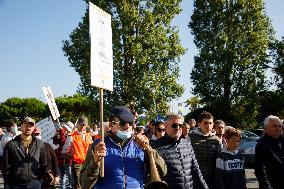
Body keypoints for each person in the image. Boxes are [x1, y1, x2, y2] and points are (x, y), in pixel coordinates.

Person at [80, 106, 167, 189]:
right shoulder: (98, 145)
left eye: (130, 123)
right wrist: (94, 162)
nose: (128, 126)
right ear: (111, 125)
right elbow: (84, 184)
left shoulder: (140, 144)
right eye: (123, 123)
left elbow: (163, 171)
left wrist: (149, 150)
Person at [152, 113, 208, 189]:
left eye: (180, 125)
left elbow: (196, 171)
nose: (178, 128)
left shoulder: (187, 144)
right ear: (166, 126)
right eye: (174, 125)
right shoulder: (155, 147)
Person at [1, 117, 47, 189]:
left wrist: (39, 181)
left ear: (34, 127)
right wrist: (9, 183)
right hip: (16, 184)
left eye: (30, 126)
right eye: (26, 125)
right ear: (21, 126)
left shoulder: (40, 144)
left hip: (35, 184)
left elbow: (43, 163)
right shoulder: (11, 144)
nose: (28, 128)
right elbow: (5, 166)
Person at [189, 111, 221, 189]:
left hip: (213, 179)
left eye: (210, 123)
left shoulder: (217, 140)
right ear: (199, 124)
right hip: (196, 180)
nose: (208, 126)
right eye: (205, 123)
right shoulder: (190, 138)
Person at [62, 116, 93, 189]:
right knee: (78, 185)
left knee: (88, 185)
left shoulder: (89, 136)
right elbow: (64, 153)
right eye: (81, 124)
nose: (82, 126)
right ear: (77, 124)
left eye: (84, 125)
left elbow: (91, 149)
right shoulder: (71, 137)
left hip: (88, 164)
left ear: (87, 125)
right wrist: (74, 157)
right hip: (77, 165)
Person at [255, 115, 284, 189]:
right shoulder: (262, 145)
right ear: (266, 128)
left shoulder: (281, 140)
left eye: (279, 126)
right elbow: (261, 171)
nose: (278, 128)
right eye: (274, 126)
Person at [53, 121, 74, 189]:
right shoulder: (63, 135)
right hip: (60, 161)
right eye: (64, 127)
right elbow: (55, 142)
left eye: (65, 128)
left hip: (68, 161)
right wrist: (56, 134)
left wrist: (61, 131)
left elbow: (63, 141)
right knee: (62, 179)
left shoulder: (71, 137)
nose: (64, 128)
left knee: (71, 179)